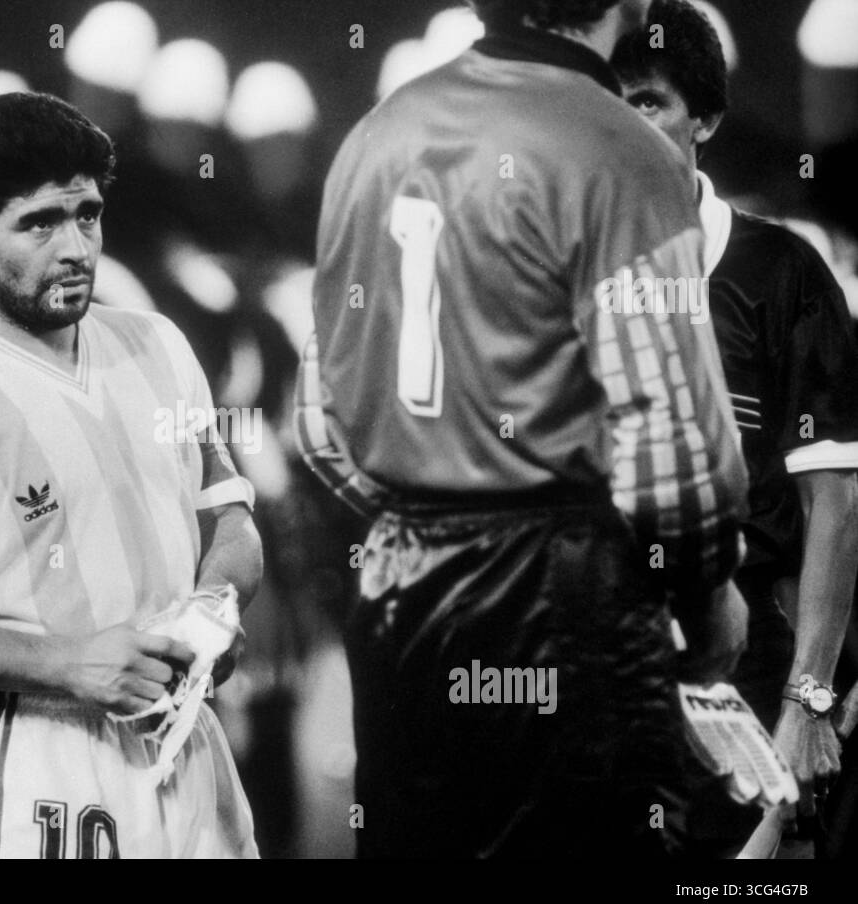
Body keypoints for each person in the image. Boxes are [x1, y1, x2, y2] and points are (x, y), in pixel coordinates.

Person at [298, 0, 749, 858]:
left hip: (398, 599)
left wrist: (429, 519)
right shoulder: (619, 147)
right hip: (567, 600)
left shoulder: (376, 138)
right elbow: (673, 451)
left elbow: (320, 427)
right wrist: (705, 598)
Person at [0, 92, 261, 859]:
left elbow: (227, 516)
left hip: (190, 748)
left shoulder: (158, 345)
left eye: (87, 216)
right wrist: (65, 666)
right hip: (40, 766)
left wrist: (215, 606)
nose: (76, 247)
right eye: (39, 223)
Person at [612, 0, 858, 856]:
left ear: (705, 118)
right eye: (609, 101)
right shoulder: (561, 270)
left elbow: (835, 498)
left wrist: (808, 703)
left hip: (755, 677)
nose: (622, 123)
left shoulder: (779, 270)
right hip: (612, 673)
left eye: (647, 101)